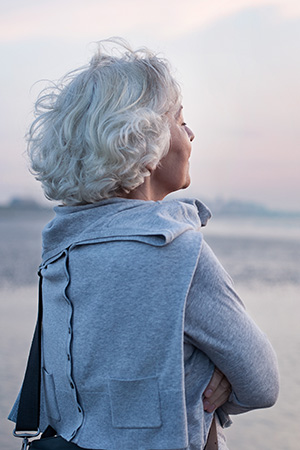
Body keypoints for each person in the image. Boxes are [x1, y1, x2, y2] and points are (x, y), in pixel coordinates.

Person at [9, 38, 279, 450]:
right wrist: (213, 380)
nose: (191, 133)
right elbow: (263, 383)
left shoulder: (62, 251)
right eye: (180, 118)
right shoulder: (177, 251)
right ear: (143, 136)